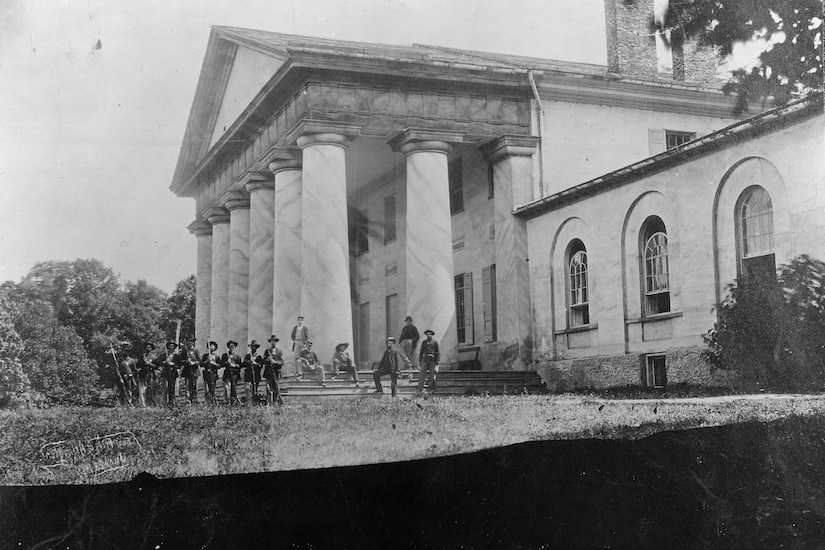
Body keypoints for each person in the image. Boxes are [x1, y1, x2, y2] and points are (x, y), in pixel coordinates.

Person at [262, 335, 284, 406]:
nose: (273, 343)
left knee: (276, 388)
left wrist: (275, 362)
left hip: (276, 373)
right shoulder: (267, 351)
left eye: (275, 341)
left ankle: (276, 403)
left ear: (276, 342)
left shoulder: (280, 351)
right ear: (270, 342)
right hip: (268, 373)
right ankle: (269, 403)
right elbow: (263, 361)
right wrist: (269, 360)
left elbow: (282, 362)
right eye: (272, 341)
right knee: (268, 388)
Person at [179, 337, 201, 404]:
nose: (190, 343)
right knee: (187, 387)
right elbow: (180, 361)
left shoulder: (196, 351)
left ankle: (195, 399)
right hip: (187, 371)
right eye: (189, 341)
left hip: (194, 371)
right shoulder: (184, 351)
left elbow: (200, 361)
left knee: (194, 386)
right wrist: (186, 361)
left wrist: (194, 363)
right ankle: (188, 400)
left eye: (191, 342)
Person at [157, 341, 180, 407]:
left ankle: (172, 401)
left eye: (172, 347)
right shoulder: (164, 355)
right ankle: (164, 402)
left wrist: (173, 364)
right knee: (165, 388)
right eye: (170, 347)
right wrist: (165, 362)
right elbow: (158, 362)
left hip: (173, 373)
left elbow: (179, 365)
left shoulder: (176, 356)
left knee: (172, 387)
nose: (171, 348)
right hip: (165, 373)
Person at [115, 342, 138, 407]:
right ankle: (122, 404)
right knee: (122, 391)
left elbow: (134, 370)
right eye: (124, 351)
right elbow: (117, 370)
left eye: (127, 351)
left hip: (130, 378)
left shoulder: (132, 360)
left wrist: (135, 379)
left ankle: (129, 403)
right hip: (122, 377)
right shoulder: (119, 361)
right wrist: (120, 378)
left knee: (129, 390)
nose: (126, 352)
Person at [242, 340, 264, 404]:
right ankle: (248, 402)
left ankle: (254, 402)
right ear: (251, 347)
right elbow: (243, 364)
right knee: (247, 388)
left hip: (256, 375)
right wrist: (249, 362)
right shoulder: (248, 356)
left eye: (255, 347)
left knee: (254, 389)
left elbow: (261, 365)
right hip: (248, 375)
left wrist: (255, 363)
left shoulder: (259, 357)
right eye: (252, 347)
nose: (254, 348)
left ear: (257, 348)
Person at [136, 342, 158, 407]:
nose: (148, 349)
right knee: (142, 391)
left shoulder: (154, 357)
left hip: (151, 375)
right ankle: (143, 405)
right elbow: (137, 365)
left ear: (151, 349)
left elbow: (156, 367)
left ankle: (151, 404)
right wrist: (143, 362)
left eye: (149, 347)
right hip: (143, 375)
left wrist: (149, 363)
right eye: (147, 347)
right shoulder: (141, 356)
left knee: (151, 391)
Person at [221, 340, 242, 405]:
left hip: (235, 374)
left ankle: (233, 402)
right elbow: (221, 364)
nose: (231, 347)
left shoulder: (237, 356)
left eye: (233, 346)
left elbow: (240, 365)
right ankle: (227, 402)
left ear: (235, 347)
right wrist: (227, 362)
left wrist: (234, 365)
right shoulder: (225, 355)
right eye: (230, 346)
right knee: (226, 388)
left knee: (234, 389)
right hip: (227, 373)